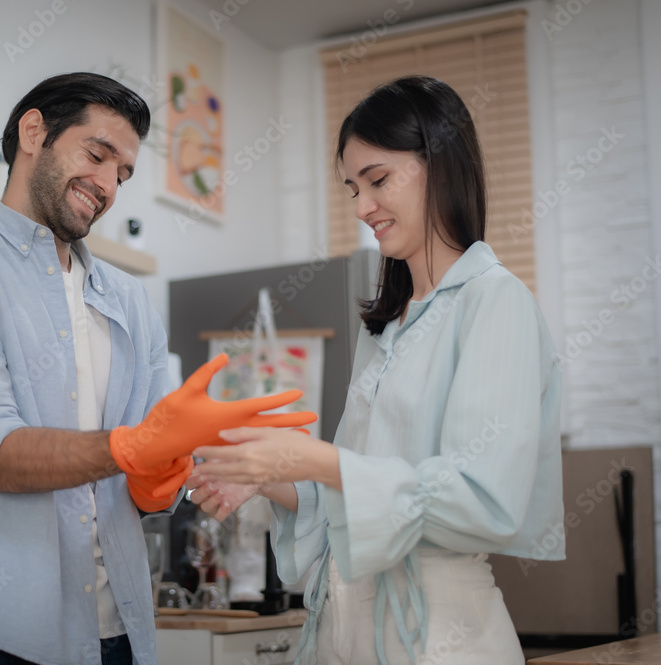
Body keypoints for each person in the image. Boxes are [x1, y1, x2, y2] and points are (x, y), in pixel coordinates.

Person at [0, 72, 315, 665]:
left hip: (118, 636)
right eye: (97, 154)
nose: (107, 185)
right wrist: (132, 446)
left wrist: (168, 471)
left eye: (122, 174)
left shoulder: (129, 303)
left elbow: (147, 486)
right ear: (34, 132)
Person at [188, 75, 564, 665]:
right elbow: (353, 497)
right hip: (344, 625)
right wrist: (266, 478)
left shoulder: (495, 302)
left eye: (378, 180)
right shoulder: (384, 330)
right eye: (351, 188)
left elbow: (485, 500)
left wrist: (309, 457)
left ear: (439, 165)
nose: (362, 207)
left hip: (442, 637)